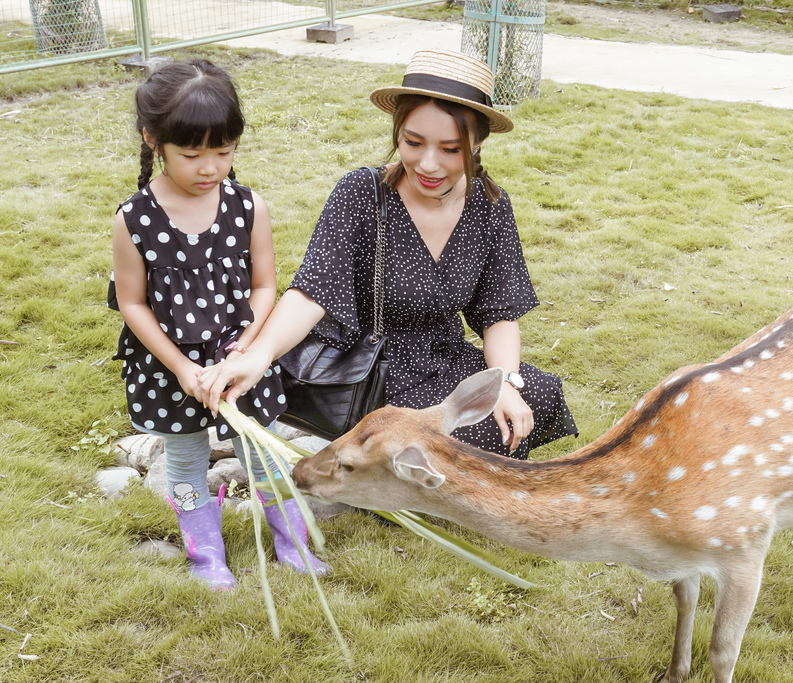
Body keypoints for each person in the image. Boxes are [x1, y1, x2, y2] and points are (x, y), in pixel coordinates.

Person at [199, 49, 577, 459]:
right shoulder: (362, 193)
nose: (428, 164)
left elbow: (499, 312)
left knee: (535, 395)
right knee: (456, 444)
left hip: (441, 358)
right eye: (413, 143)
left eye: (450, 150)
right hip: (371, 369)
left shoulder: (490, 206)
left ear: (478, 142)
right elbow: (313, 292)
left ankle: (390, 466)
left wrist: (502, 382)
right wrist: (259, 356)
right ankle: (377, 466)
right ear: (397, 132)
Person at [108, 59, 327, 590]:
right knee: (185, 459)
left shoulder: (248, 207)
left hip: (240, 360)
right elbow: (133, 305)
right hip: (171, 368)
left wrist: (243, 353)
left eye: (223, 152)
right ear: (153, 139)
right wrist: (183, 368)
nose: (210, 167)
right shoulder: (134, 219)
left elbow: (264, 288)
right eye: (192, 154)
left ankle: (290, 539)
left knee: (265, 450)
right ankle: (205, 553)